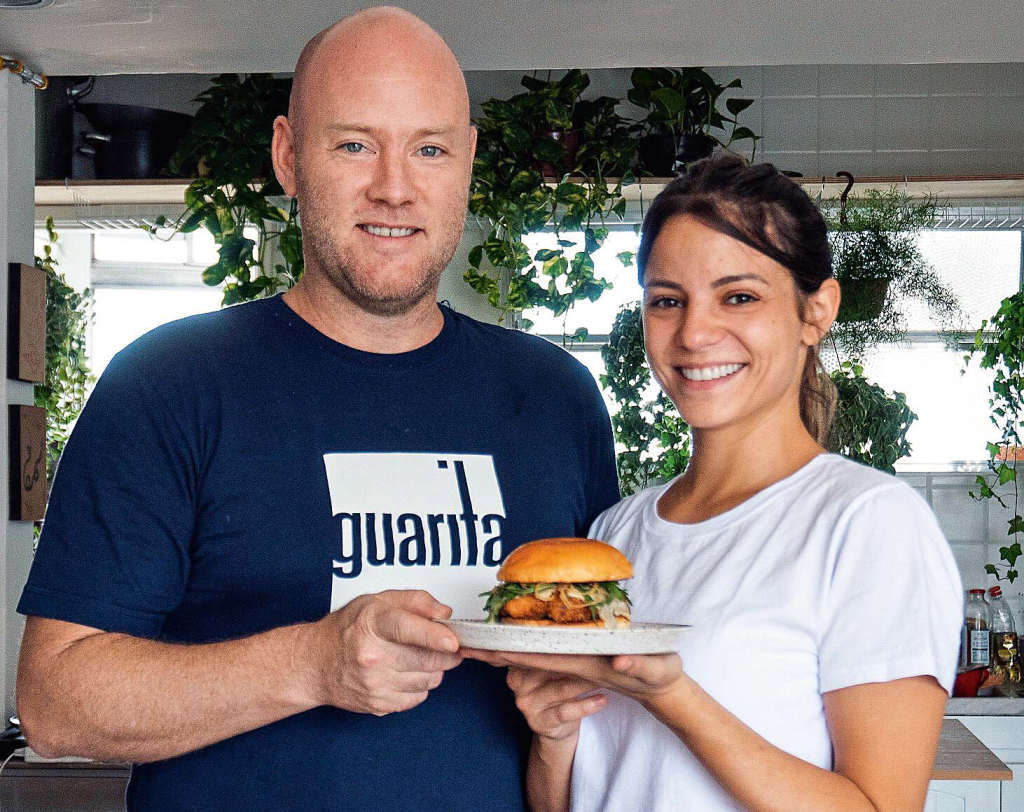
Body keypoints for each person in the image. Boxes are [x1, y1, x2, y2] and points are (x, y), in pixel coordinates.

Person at [15, 8, 619, 811]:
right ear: (288, 156)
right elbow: (56, 704)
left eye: (429, 148)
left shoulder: (557, 400)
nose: (395, 187)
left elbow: (587, 700)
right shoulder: (169, 385)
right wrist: (313, 665)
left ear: (467, 162)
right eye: (354, 145)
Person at [467, 155, 963, 812]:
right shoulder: (617, 535)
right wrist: (553, 735)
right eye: (668, 301)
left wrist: (673, 696)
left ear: (817, 311)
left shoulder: (869, 524)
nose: (695, 333)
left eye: (739, 296)